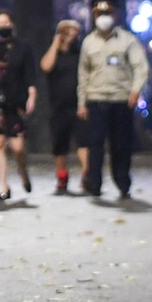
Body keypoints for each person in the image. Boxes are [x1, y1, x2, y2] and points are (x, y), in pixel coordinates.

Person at [77, 0, 148, 199]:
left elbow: (141, 67)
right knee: (95, 145)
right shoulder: (89, 42)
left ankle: (123, 183)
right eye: (100, 13)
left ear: (115, 14)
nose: (104, 16)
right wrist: (81, 102)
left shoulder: (127, 40)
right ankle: (94, 184)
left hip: (121, 101)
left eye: (107, 12)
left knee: (121, 145)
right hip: (96, 100)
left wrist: (135, 90)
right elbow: (83, 74)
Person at [0, 10, 36, 201]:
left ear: (12, 24)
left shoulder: (23, 48)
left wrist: (31, 96)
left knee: (18, 146)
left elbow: (30, 75)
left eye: (5, 22)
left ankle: (23, 170)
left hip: (15, 101)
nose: (1, 26)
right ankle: (4, 186)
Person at [40, 18, 86, 195]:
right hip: (58, 106)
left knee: (83, 141)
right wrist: (55, 44)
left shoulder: (79, 53)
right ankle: (62, 176)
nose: (71, 36)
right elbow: (45, 66)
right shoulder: (54, 54)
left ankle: (86, 175)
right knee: (60, 145)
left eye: (74, 33)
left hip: (79, 105)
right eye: (66, 32)